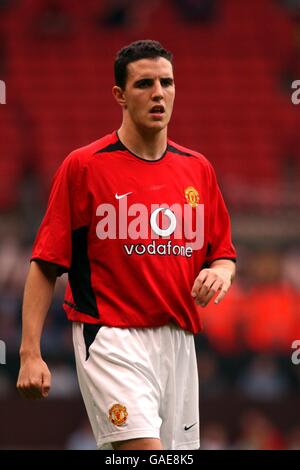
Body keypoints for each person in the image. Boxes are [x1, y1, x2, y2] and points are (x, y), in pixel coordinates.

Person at [17, 39, 236, 450]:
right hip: (111, 336)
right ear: (119, 95)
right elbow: (46, 262)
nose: (158, 93)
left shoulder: (197, 169)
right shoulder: (84, 166)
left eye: (167, 83)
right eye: (145, 84)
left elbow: (222, 253)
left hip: (178, 341)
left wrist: (219, 273)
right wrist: (30, 353)